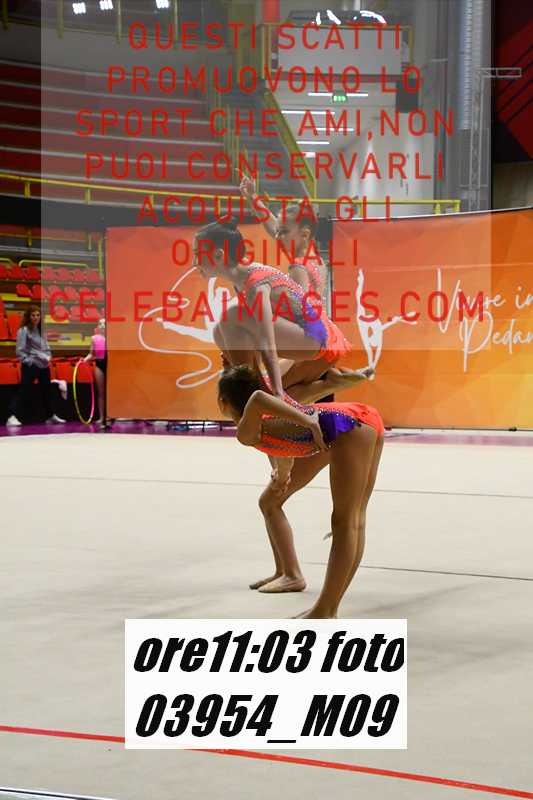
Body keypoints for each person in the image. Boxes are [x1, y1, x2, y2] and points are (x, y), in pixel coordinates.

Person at [217, 365, 384, 619]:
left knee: (345, 522)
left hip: (349, 426)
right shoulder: (273, 416)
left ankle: (325, 610)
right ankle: (326, 606)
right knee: (354, 520)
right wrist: (282, 474)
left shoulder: (247, 430)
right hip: (362, 419)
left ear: (223, 403)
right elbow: (283, 449)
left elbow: (258, 399)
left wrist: (307, 421)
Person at [193, 220, 353, 398]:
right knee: (220, 330)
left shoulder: (256, 284)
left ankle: (258, 393)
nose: (194, 262)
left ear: (218, 255)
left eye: (197, 254)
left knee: (232, 316)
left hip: (318, 337)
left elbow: (267, 344)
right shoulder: (242, 280)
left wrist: (277, 393)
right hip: (305, 335)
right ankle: (257, 391)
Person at [240, 174, 327, 302]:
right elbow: (274, 226)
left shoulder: (298, 267)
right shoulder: (317, 260)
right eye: (278, 231)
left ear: (304, 234)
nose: (277, 236)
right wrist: (253, 197)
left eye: (284, 232)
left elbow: (301, 309)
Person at [6, 305, 65, 426]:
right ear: (29, 316)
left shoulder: (42, 330)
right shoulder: (23, 331)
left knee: (46, 391)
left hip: (44, 366)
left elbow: (46, 347)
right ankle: (12, 416)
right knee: (23, 391)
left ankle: (50, 416)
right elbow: (20, 351)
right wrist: (30, 362)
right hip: (31, 366)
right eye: (33, 315)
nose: (36, 317)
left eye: (38, 315)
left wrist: (48, 357)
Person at [83, 318, 106, 424]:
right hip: (99, 364)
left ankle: (111, 416)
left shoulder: (114, 338)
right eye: (100, 324)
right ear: (98, 326)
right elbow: (91, 354)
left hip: (111, 365)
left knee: (111, 392)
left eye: (104, 324)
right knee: (101, 392)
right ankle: (102, 417)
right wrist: (84, 360)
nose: (102, 326)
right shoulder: (94, 338)